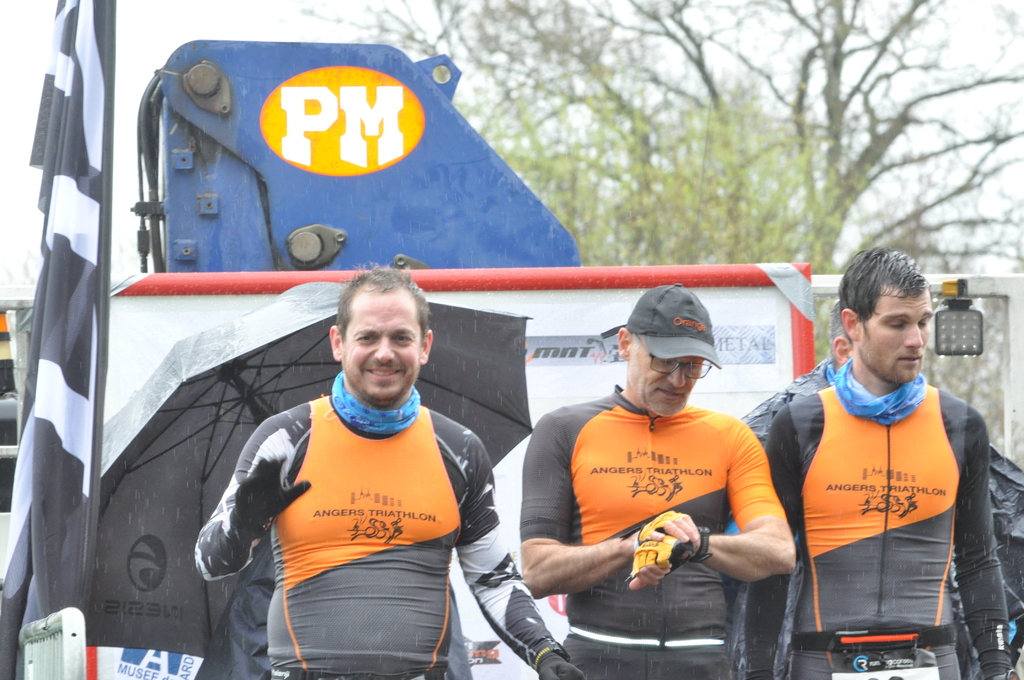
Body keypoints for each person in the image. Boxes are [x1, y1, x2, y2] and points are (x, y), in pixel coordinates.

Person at [195, 267, 584, 680]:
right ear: (338, 343)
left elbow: (495, 580)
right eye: (368, 337)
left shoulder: (460, 450)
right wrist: (244, 523)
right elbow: (208, 562)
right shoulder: (285, 439)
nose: (384, 353)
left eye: (400, 338)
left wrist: (544, 651)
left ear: (424, 346)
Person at [745, 247, 1016, 680]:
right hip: (821, 659)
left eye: (923, 322)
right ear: (853, 324)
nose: (917, 340)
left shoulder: (961, 424)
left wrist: (997, 667)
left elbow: (978, 559)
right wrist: (757, 671)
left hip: (933, 657)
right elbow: (773, 567)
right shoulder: (800, 425)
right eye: (897, 324)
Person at [519, 283, 796, 680]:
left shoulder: (730, 436)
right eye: (665, 361)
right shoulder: (563, 429)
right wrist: (630, 547)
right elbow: (537, 571)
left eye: (693, 365)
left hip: (700, 662)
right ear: (625, 344)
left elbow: (778, 550)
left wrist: (697, 544)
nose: (679, 380)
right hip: (596, 659)